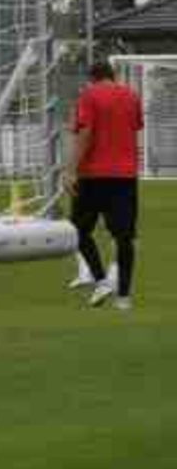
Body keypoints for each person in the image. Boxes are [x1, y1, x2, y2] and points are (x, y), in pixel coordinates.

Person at [68, 58, 143, 311]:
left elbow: (85, 132)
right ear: (113, 75)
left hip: (93, 175)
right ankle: (123, 297)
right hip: (125, 176)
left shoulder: (88, 96)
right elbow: (135, 127)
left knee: (78, 231)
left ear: (92, 78)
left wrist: (71, 170)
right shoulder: (132, 96)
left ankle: (101, 279)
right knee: (125, 237)